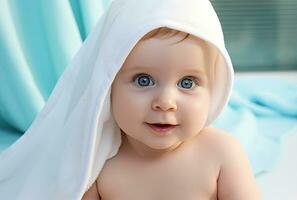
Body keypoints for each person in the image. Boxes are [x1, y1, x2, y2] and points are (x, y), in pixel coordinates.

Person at [0, 0, 261, 199]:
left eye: (187, 83)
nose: (165, 102)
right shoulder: (95, 161)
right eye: (143, 80)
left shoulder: (221, 153)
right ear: (107, 85)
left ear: (214, 88)